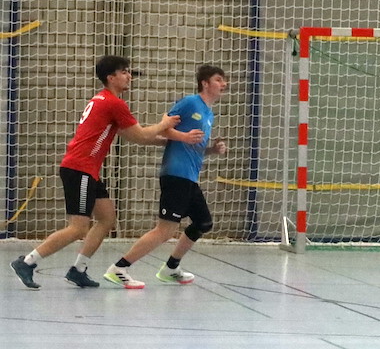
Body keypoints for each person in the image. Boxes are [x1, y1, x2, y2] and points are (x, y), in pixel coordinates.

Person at [9, 55, 195, 289]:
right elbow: (142, 133)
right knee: (78, 227)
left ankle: (78, 270)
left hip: (87, 169)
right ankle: (27, 262)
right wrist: (166, 123)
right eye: (124, 72)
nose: (129, 76)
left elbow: (135, 136)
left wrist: (174, 141)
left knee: (106, 218)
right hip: (80, 168)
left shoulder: (103, 101)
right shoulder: (113, 103)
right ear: (111, 77)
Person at [103, 65, 228, 289]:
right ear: (205, 83)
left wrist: (212, 150)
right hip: (176, 174)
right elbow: (164, 127)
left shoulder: (209, 113)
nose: (224, 84)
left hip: (190, 177)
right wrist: (183, 136)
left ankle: (171, 267)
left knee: (203, 222)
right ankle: (119, 267)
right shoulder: (191, 103)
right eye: (218, 79)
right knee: (165, 230)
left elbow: (193, 146)